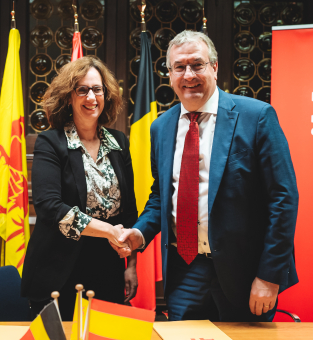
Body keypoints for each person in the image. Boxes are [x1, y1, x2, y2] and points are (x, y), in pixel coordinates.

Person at [115, 30, 299, 322]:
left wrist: (269, 276)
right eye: (179, 67)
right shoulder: (160, 128)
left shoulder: (257, 117)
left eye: (197, 64)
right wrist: (139, 233)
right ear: (170, 74)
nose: (188, 75)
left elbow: (283, 199)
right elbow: (161, 197)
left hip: (246, 274)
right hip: (184, 270)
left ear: (214, 67)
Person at [21, 56, 138, 321]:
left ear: (106, 95)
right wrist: (109, 231)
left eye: (97, 89)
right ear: (68, 96)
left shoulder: (118, 142)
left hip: (107, 270)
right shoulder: (51, 142)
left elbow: (129, 211)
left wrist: (130, 266)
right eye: (82, 90)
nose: (91, 97)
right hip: (58, 271)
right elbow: (49, 207)